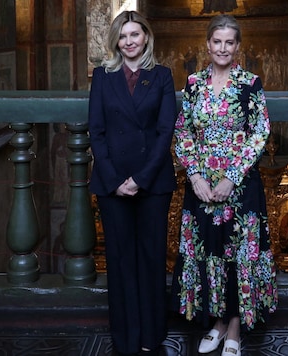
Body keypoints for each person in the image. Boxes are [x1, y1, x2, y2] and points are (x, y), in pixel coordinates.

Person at [171, 14, 278, 356]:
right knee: (211, 253)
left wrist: (232, 177)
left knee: (237, 257)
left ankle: (234, 327)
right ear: (207, 44)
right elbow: (182, 130)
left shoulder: (250, 84)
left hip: (240, 187)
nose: (222, 48)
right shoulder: (194, 84)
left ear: (237, 46)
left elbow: (260, 131)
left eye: (229, 42)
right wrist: (196, 176)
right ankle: (216, 322)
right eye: (217, 41)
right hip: (201, 188)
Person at [88, 10, 177, 356]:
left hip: (153, 183)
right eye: (123, 36)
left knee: (151, 259)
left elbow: (165, 131)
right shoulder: (102, 76)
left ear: (146, 38)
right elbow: (96, 131)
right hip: (112, 185)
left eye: (134, 35)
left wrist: (139, 179)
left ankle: (151, 335)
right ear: (115, 41)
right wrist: (116, 181)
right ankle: (125, 338)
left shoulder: (162, 76)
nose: (129, 42)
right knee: (120, 259)